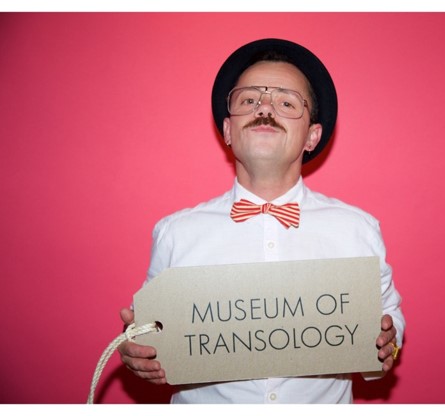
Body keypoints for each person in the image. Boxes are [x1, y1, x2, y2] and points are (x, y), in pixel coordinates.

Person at [118, 38, 405, 404]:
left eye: (286, 103)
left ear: (312, 136)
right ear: (227, 130)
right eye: (249, 100)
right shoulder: (175, 233)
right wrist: (138, 348)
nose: (265, 108)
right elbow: (151, 332)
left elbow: (388, 316)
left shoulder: (357, 229)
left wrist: (388, 342)